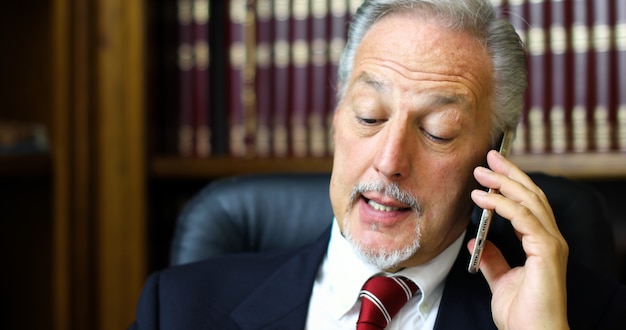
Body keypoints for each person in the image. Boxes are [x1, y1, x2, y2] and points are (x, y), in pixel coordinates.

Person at [130, 0, 626, 329]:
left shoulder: (585, 315)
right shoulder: (177, 307)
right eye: (369, 117)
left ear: (495, 156)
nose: (389, 162)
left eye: (438, 131)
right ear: (335, 119)